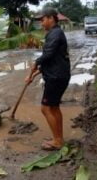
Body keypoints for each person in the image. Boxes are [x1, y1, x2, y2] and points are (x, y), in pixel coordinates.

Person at [25, 8, 71, 150]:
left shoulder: (55, 34)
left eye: (43, 19)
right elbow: (52, 60)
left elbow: (48, 55)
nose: (41, 23)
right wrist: (33, 74)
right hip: (58, 75)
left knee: (45, 109)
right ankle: (59, 138)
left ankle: (57, 141)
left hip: (55, 78)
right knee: (54, 107)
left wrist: (35, 63)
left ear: (51, 18)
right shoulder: (54, 33)